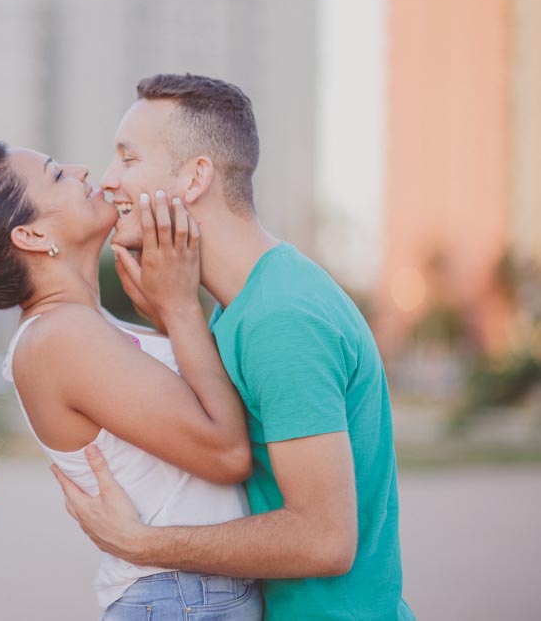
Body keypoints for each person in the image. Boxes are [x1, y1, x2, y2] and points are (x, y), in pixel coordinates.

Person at [51, 73, 415, 620]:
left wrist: (141, 543)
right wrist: (176, 316)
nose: (107, 182)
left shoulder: (281, 317)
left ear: (196, 176)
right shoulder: (240, 305)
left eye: (128, 160)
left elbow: (324, 539)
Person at [0, 140, 263, 619]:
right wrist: (179, 309)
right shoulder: (58, 338)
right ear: (30, 236)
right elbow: (228, 453)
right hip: (180, 597)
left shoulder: (88, 327)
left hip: (188, 594)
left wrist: (166, 314)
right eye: (56, 174)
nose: (82, 170)